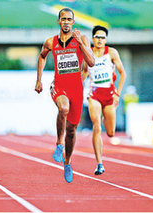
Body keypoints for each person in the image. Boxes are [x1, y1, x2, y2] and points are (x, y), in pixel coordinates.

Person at [35, 8, 95, 183]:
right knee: (63, 108)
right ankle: (58, 143)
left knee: (72, 130)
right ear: (58, 21)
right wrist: (39, 80)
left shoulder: (82, 39)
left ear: (73, 22)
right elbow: (41, 57)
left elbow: (91, 62)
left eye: (69, 19)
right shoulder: (50, 42)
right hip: (59, 85)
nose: (66, 22)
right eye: (63, 19)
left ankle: (67, 161)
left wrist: (80, 43)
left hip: (76, 88)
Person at [82, 25, 126, 175]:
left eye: (103, 38)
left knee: (111, 132)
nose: (100, 40)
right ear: (93, 38)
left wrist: (117, 94)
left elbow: (123, 74)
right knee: (96, 126)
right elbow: (83, 74)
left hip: (109, 95)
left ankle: (107, 122)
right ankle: (99, 163)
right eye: (97, 37)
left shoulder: (112, 53)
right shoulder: (87, 54)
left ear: (106, 39)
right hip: (94, 94)